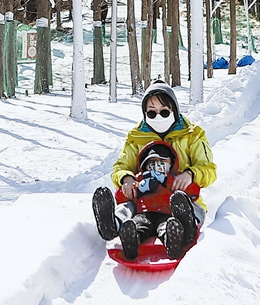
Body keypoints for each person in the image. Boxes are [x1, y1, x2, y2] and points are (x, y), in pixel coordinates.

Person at [92, 80, 216, 261]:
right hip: (145, 202)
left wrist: (190, 174)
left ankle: (186, 227)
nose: (158, 116)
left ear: (174, 110)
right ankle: (117, 227)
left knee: (188, 206)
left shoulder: (192, 135)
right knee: (129, 209)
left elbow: (209, 169)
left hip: (180, 197)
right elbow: (121, 167)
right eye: (151, 112)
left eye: (164, 111)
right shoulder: (136, 137)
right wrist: (126, 178)